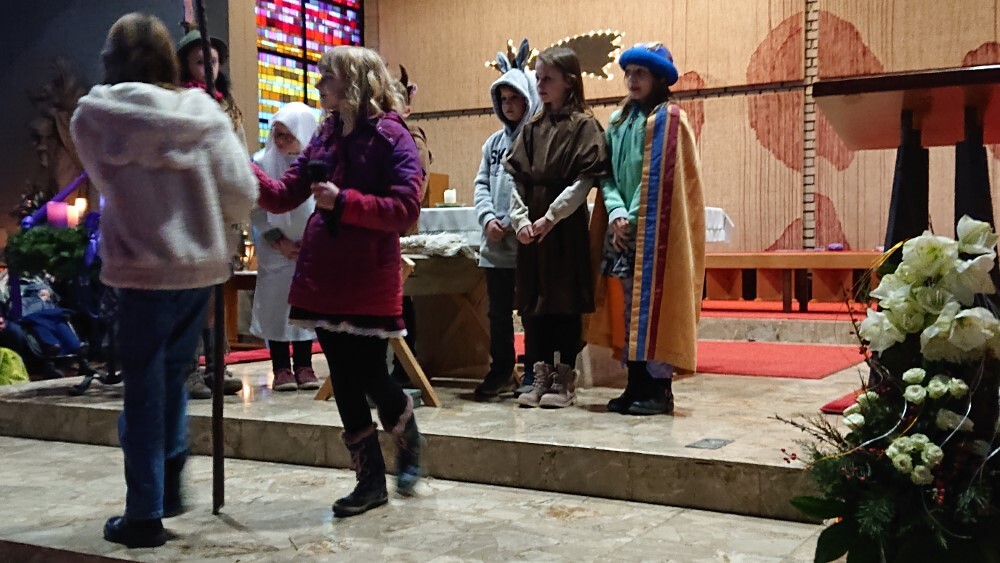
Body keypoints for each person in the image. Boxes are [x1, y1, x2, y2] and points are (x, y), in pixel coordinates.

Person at [71, 13, 257, 547]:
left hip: (138, 271)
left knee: (143, 391)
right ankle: (170, 466)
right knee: (173, 378)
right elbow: (242, 193)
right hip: (196, 269)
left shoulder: (94, 117)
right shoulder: (203, 114)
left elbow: (104, 182)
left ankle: (144, 512)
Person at [253, 46, 424, 516]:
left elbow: (406, 209)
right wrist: (240, 167)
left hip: (366, 274)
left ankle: (406, 433)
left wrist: (344, 201)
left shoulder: (391, 136)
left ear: (353, 81)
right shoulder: (325, 134)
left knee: (370, 374)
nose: (318, 85)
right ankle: (370, 482)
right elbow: (284, 194)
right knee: (343, 379)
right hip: (323, 274)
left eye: (326, 76)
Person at [586, 42, 706, 415]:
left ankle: (658, 389)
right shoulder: (618, 121)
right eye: (629, 73)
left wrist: (633, 216)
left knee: (655, 310)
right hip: (622, 230)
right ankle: (635, 383)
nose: (632, 80)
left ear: (658, 78)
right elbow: (606, 174)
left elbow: (658, 179)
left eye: (641, 73)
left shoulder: (669, 119)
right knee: (628, 311)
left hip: (655, 234)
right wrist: (616, 212)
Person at [504, 46, 610, 408]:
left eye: (547, 78)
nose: (540, 85)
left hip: (563, 227)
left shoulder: (584, 126)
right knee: (534, 303)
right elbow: (515, 180)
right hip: (532, 228)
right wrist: (520, 219)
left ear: (570, 81)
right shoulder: (532, 128)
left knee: (563, 301)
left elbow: (584, 181)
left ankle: (563, 378)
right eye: (537, 79)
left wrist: (552, 216)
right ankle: (539, 375)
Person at [176, 28, 245, 399]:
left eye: (214, 62)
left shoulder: (227, 106)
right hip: (189, 211)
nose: (209, 68)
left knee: (217, 294)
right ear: (185, 65)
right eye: (201, 62)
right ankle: (188, 370)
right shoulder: (179, 103)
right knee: (192, 295)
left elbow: (240, 156)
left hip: (221, 213)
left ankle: (217, 368)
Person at [472, 39, 540, 399]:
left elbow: (533, 189)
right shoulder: (492, 144)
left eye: (515, 98)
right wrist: (487, 219)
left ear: (528, 99)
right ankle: (501, 369)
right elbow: (481, 183)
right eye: (503, 99)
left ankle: (532, 371)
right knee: (497, 313)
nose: (508, 105)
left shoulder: (536, 139)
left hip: (524, 242)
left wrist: (512, 223)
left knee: (529, 311)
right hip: (494, 243)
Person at [249, 102, 320, 392]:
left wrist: (311, 240)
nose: (279, 141)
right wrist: (279, 241)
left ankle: (304, 364)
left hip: (310, 248)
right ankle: (280, 367)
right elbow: (255, 210)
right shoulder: (260, 162)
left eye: (286, 135)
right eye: (276, 133)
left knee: (304, 305)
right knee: (276, 304)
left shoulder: (317, 164)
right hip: (275, 248)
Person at [390, 65, 432, 389]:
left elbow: (414, 186)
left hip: (399, 228)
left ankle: (405, 366)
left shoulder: (412, 138)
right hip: (381, 226)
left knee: (402, 298)